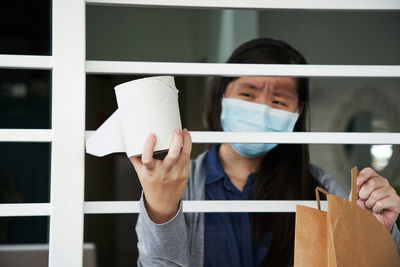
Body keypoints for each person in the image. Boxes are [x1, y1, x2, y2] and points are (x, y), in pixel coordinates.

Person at [131, 38, 400, 266]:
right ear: (221, 95)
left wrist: (376, 233)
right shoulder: (180, 187)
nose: (262, 108)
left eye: (278, 100)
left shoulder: (323, 189)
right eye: (248, 95)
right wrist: (162, 212)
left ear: (298, 112)